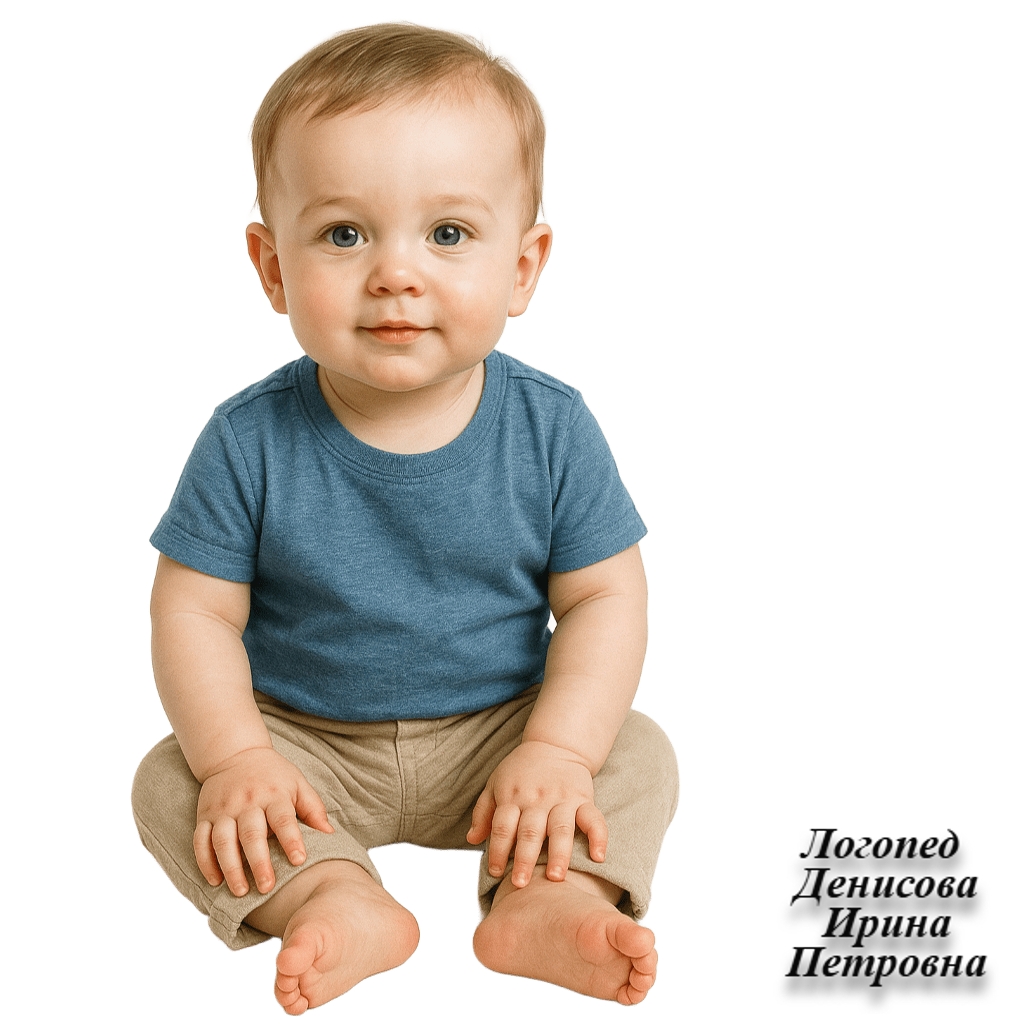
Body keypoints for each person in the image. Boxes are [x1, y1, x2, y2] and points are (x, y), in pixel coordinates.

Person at [132, 22, 678, 1015]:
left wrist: (556, 750)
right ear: (271, 267)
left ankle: (545, 896)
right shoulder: (246, 439)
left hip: (499, 746)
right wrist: (242, 758)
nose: (395, 272)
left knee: (636, 751)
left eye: (448, 234)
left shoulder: (551, 428)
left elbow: (605, 598)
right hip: (306, 752)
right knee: (173, 778)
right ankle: (331, 891)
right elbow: (193, 612)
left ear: (523, 266)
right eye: (344, 234)